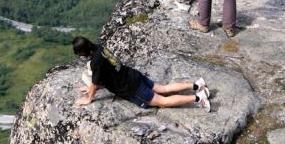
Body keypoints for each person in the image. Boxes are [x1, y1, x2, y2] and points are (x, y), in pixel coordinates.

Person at [72, 36, 211, 112]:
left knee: (163, 101)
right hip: (133, 75)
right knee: (163, 89)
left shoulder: (95, 62)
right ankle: (197, 85)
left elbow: (96, 83)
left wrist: (89, 98)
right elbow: (105, 74)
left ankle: (199, 98)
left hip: (132, 88)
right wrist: (91, 86)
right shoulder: (100, 47)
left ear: (82, 52)